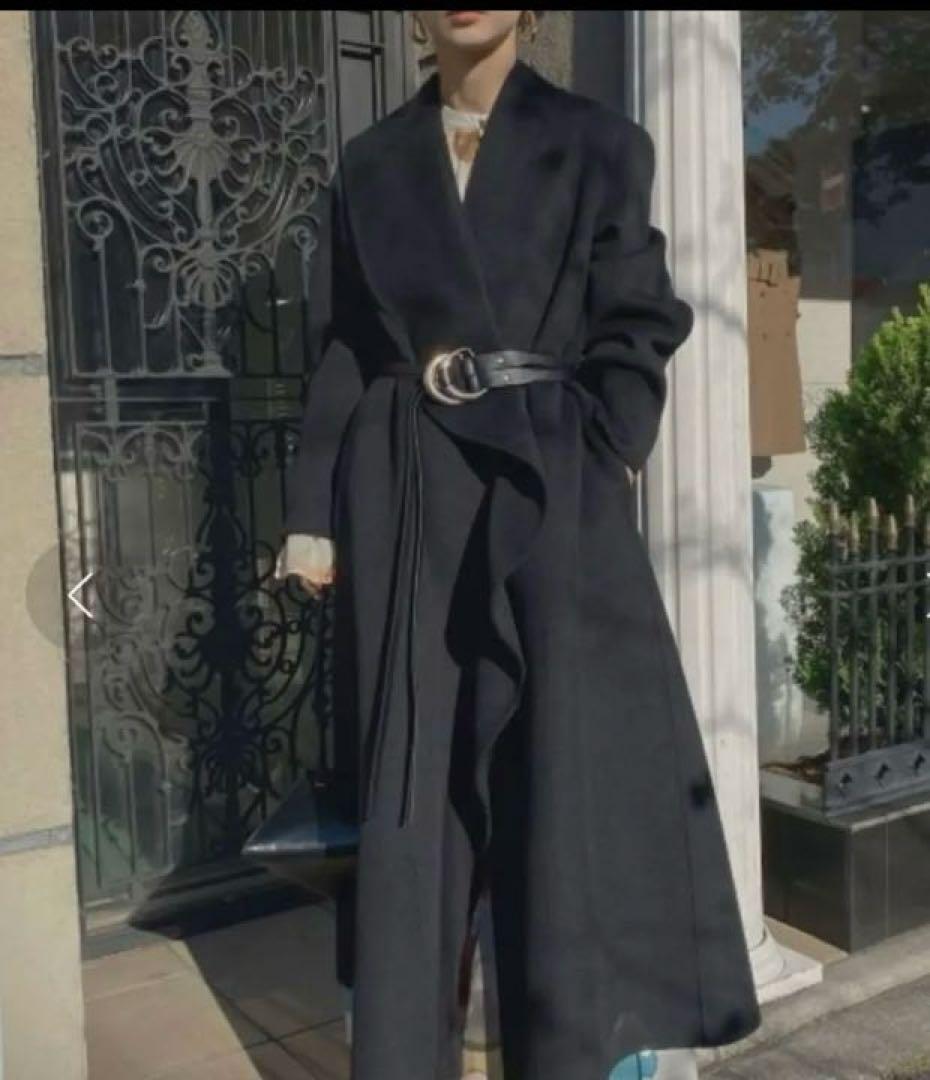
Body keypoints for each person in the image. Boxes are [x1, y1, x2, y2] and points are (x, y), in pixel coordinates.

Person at [277, 11, 762, 1079]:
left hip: (549, 492)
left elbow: (636, 319)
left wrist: (607, 451)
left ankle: (568, 1053)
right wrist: (314, 508)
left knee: (560, 784)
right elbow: (346, 345)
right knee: (414, 800)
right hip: (406, 497)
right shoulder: (371, 162)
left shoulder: (600, 142)